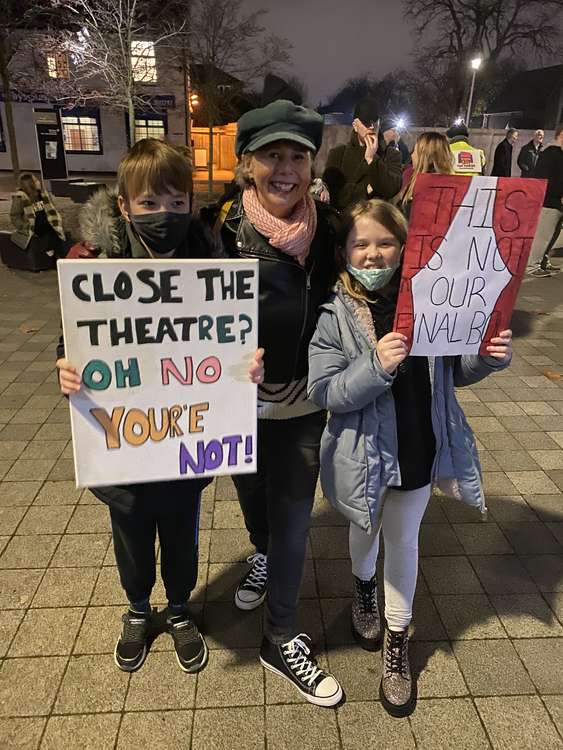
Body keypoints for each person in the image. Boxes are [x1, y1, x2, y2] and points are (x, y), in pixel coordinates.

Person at [56, 138, 264, 675]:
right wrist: (68, 368)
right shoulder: (95, 274)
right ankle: (136, 607)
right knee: (129, 533)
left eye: (177, 202)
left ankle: (177, 608)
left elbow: (227, 348)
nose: (165, 214)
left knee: (181, 530)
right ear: (124, 206)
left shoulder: (214, 271)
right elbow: (76, 342)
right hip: (123, 448)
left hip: (182, 446)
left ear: (191, 204)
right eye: (150, 203)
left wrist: (246, 369)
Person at [307, 199, 513, 717]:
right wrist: (374, 365)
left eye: (385, 243)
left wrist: (485, 356)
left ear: (406, 248)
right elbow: (324, 390)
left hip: (419, 448)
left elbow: (454, 371)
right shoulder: (333, 314)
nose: (373, 255)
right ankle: (362, 593)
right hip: (363, 457)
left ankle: (396, 642)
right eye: (361, 244)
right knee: (363, 531)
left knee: (404, 541)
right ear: (343, 252)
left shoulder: (432, 301)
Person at [204, 99, 343, 707]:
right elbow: (155, 308)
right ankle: (258, 554)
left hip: (304, 407)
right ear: (248, 165)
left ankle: (280, 635)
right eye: (271, 155)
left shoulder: (333, 233)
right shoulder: (218, 232)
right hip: (237, 410)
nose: (285, 169)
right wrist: (75, 355)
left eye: (297, 156)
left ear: (312, 165)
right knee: (253, 501)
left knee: (293, 524)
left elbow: (382, 273)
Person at [322, 99, 402, 211]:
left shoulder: (391, 155)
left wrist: (372, 159)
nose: (371, 127)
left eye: (374, 122)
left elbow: (391, 188)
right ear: (355, 126)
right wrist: (367, 189)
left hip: (379, 222)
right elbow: (336, 195)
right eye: (366, 123)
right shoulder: (338, 154)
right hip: (348, 223)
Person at [526, 124, 563, 277]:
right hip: (550, 201)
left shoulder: (558, 154)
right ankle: (532, 266)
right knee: (543, 235)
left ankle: (543, 261)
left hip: (557, 201)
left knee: (553, 235)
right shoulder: (551, 153)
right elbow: (546, 179)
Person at [398, 131, 454, 218]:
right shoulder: (452, 187)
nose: (412, 155)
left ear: (424, 156)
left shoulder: (419, 185)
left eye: (415, 151)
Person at [10, 173, 65, 257]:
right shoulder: (20, 198)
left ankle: (60, 256)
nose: (39, 182)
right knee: (48, 238)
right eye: (36, 181)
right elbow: (14, 216)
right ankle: (54, 256)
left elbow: (51, 209)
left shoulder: (42, 194)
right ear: (30, 184)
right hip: (34, 227)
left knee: (59, 236)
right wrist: (23, 226)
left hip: (48, 224)